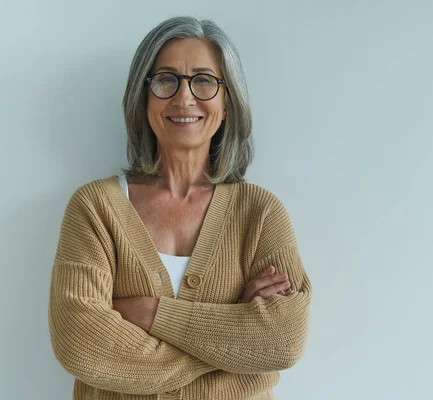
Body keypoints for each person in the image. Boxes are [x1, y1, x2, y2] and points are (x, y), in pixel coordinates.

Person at [48, 16, 312, 400]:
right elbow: (79, 341)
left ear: (226, 104)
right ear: (144, 99)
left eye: (204, 80)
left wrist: (151, 313)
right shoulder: (95, 208)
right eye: (166, 79)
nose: (184, 97)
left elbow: (284, 339)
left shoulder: (260, 212)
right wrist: (233, 338)